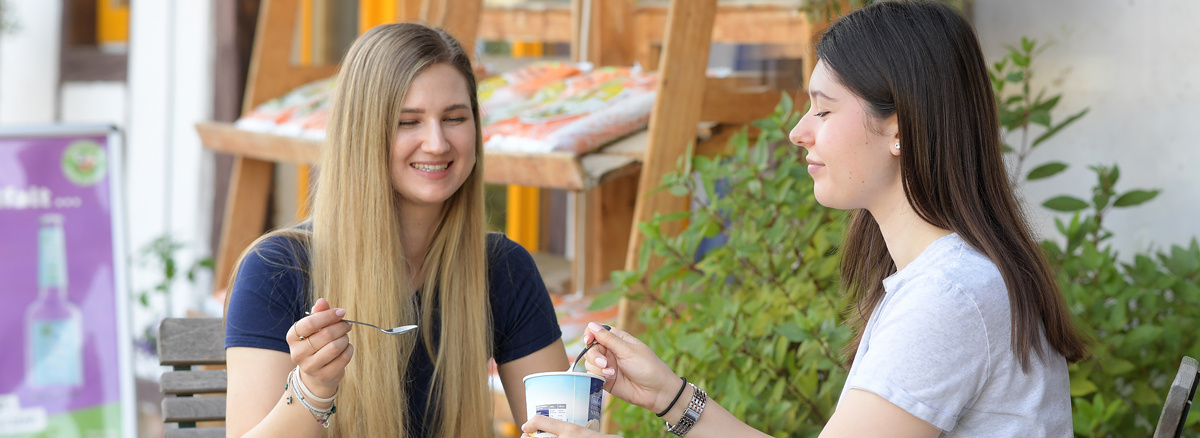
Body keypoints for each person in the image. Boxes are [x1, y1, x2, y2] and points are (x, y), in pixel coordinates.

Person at [522, 2, 1089, 437]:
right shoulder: (953, 278)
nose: (799, 130)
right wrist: (671, 397)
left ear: (900, 127)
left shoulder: (948, 297)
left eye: (823, 108)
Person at [222, 23, 568, 438]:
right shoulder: (277, 269)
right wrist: (313, 389)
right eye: (409, 122)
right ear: (363, 135)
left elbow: (562, 429)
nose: (437, 143)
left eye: (455, 118)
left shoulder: (503, 270)